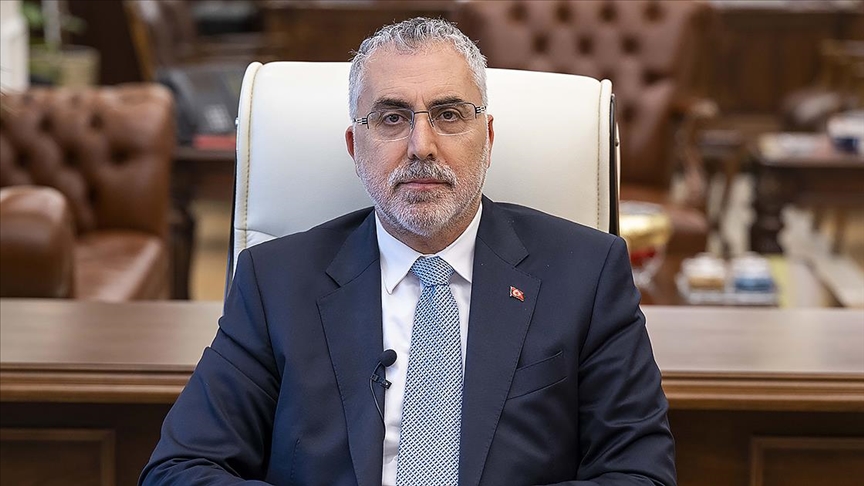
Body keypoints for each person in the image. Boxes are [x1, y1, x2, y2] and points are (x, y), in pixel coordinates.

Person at [140, 17, 675, 486]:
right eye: (392, 118)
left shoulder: (587, 273)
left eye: (449, 115)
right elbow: (179, 468)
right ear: (355, 147)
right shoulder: (274, 281)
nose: (422, 146)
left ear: (487, 139)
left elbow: (640, 473)